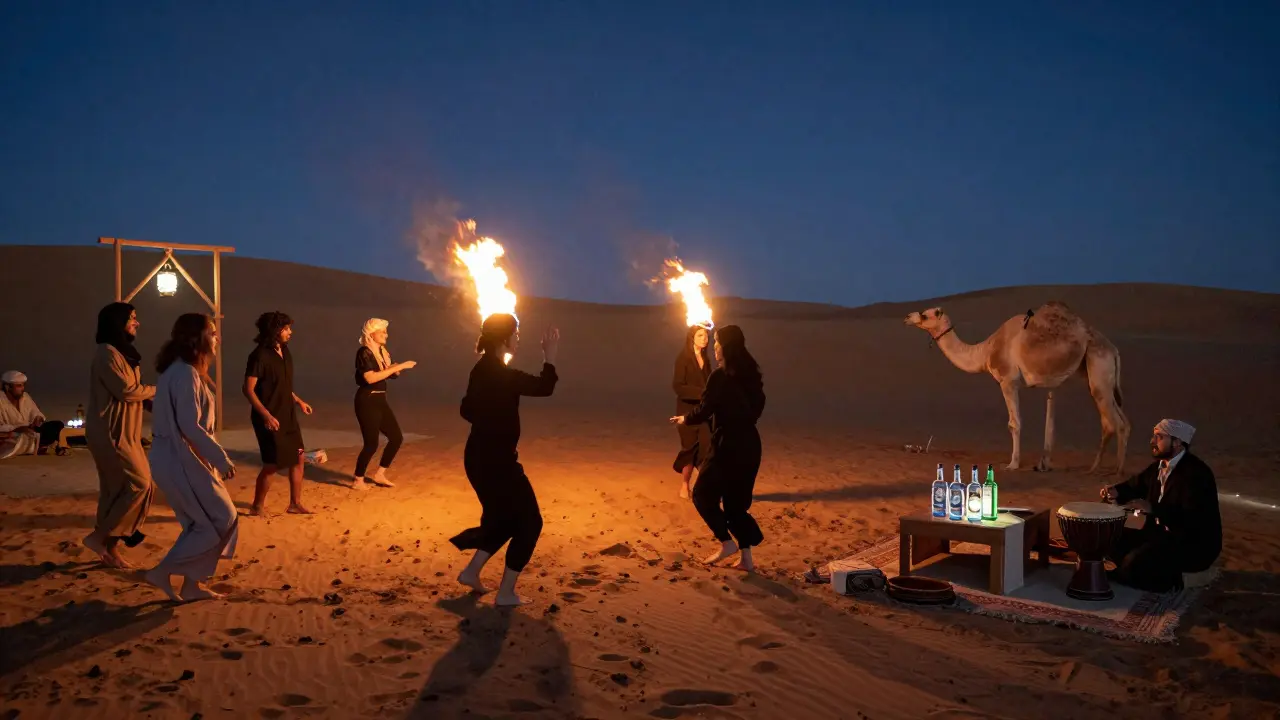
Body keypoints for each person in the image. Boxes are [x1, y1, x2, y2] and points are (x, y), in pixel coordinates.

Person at [450, 313, 560, 606]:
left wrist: (489, 415)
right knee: (530, 522)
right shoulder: (501, 374)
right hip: (497, 463)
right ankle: (506, 593)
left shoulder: (482, 369)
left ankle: (472, 572)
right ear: (505, 338)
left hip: (477, 458)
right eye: (517, 332)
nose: (519, 337)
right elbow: (544, 387)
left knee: (503, 519)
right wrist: (549, 356)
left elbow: (466, 409)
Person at [144, 313, 238, 602]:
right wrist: (220, 459)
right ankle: (164, 571)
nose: (216, 338)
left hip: (178, 458)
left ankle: (192, 585)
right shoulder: (184, 373)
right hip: (178, 459)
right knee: (223, 518)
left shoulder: (184, 371)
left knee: (202, 524)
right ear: (196, 339)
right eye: (211, 332)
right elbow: (189, 425)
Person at [670, 324, 766, 571]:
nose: (714, 347)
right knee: (735, 505)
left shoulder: (720, 376)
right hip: (750, 445)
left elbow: (705, 409)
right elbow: (757, 409)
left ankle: (726, 542)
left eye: (718, 343)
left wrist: (685, 418)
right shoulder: (751, 375)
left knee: (702, 495)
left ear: (728, 347)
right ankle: (746, 559)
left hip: (727, 446)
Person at [1100, 418, 1222, 593]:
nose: (1152, 441)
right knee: (1112, 541)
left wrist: (1153, 509)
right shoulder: (1158, 467)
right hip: (1160, 534)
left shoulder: (1196, 474)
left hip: (1191, 543)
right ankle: (1132, 570)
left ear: (1177, 442)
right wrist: (1115, 491)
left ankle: (1173, 581)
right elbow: (1134, 485)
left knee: (1135, 563)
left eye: (1159, 437)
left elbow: (1192, 519)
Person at [84, 302, 157, 569]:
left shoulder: (122, 353)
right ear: (118, 323)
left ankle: (109, 549)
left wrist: (147, 400)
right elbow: (126, 390)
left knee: (117, 491)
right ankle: (99, 537)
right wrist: (157, 391)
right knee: (140, 483)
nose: (137, 323)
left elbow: (133, 391)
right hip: (110, 434)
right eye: (132, 319)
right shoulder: (106, 354)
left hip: (127, 433)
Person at [243, 311, 313, 515]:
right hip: (268, 418)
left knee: (298, 456)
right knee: (272, 464)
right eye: (286, 328)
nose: (290, 332)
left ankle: (294, 503)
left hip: (288, 415)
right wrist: (266, 415)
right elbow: (248, 389)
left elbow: (282, 385)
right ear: (275, 331)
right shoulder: (259, 356)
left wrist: (298, 401)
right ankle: (257, 506)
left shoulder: (285, 351)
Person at [351, 318, 417, 491]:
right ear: (372, 334)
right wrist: (398, 366)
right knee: (371, 443)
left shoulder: (382, 351)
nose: (386, 335)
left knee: (396, 438)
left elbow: (390, 375)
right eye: (383, 332)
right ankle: (358, 480)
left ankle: (380, 474)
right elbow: (370, 378)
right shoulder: (364, 352)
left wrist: (395, 369)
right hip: (367, 400)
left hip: (380, 399)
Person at [671, 324, 713, 499]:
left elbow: (711, 384)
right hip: (686, 411)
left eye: (706, 335)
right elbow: (678, 386)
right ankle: (685, 485)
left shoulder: (707, 359)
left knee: (707, 446)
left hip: (703, 413)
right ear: (692, 338)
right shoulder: (683, 359)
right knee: (688, 449)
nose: (704, 338)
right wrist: (701, 394)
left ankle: (703, 487)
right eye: (700, 335)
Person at [0, 371, 65, 458]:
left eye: (23, 385)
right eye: (19, 386)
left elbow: (35, 412)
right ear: (7, 387)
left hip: (31, 431)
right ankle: (39, 446)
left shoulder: (25, 397)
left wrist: (38, 418)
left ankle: (39, 445)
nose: (22, 388)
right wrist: (17, 428)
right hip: (12, 435)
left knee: (57, 425)